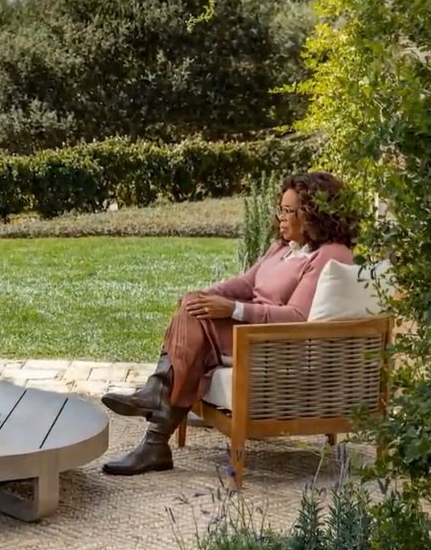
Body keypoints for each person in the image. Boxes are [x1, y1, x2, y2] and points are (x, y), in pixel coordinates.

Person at [100, 171, 359, 476]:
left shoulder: (330, 254)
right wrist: (205, 295)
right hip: (247, 330)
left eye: (289, 211)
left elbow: (297, 317)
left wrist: (232, 309)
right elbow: (246, 282)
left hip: (271, 341)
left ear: (313, 213)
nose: (281, 217)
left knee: (193, 321)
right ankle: (155, 432)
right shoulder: (283, 247)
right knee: (192, 312)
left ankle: (156, 407)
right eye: (281, 208)